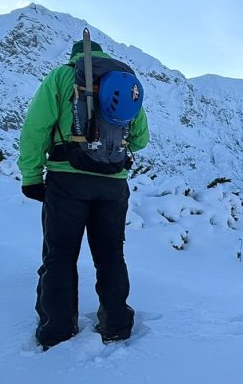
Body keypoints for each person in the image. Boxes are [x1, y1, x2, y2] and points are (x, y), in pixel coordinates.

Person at [18, 37, 149, 349]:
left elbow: (35, 128)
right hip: (114, 184)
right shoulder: (126, 83)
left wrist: (32, 175)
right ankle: (116, 324)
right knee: (111, 255)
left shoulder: (62, 77)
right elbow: (140, 138)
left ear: (75, 56)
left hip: (67, 180)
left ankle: (57, 328)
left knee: (60, 255)